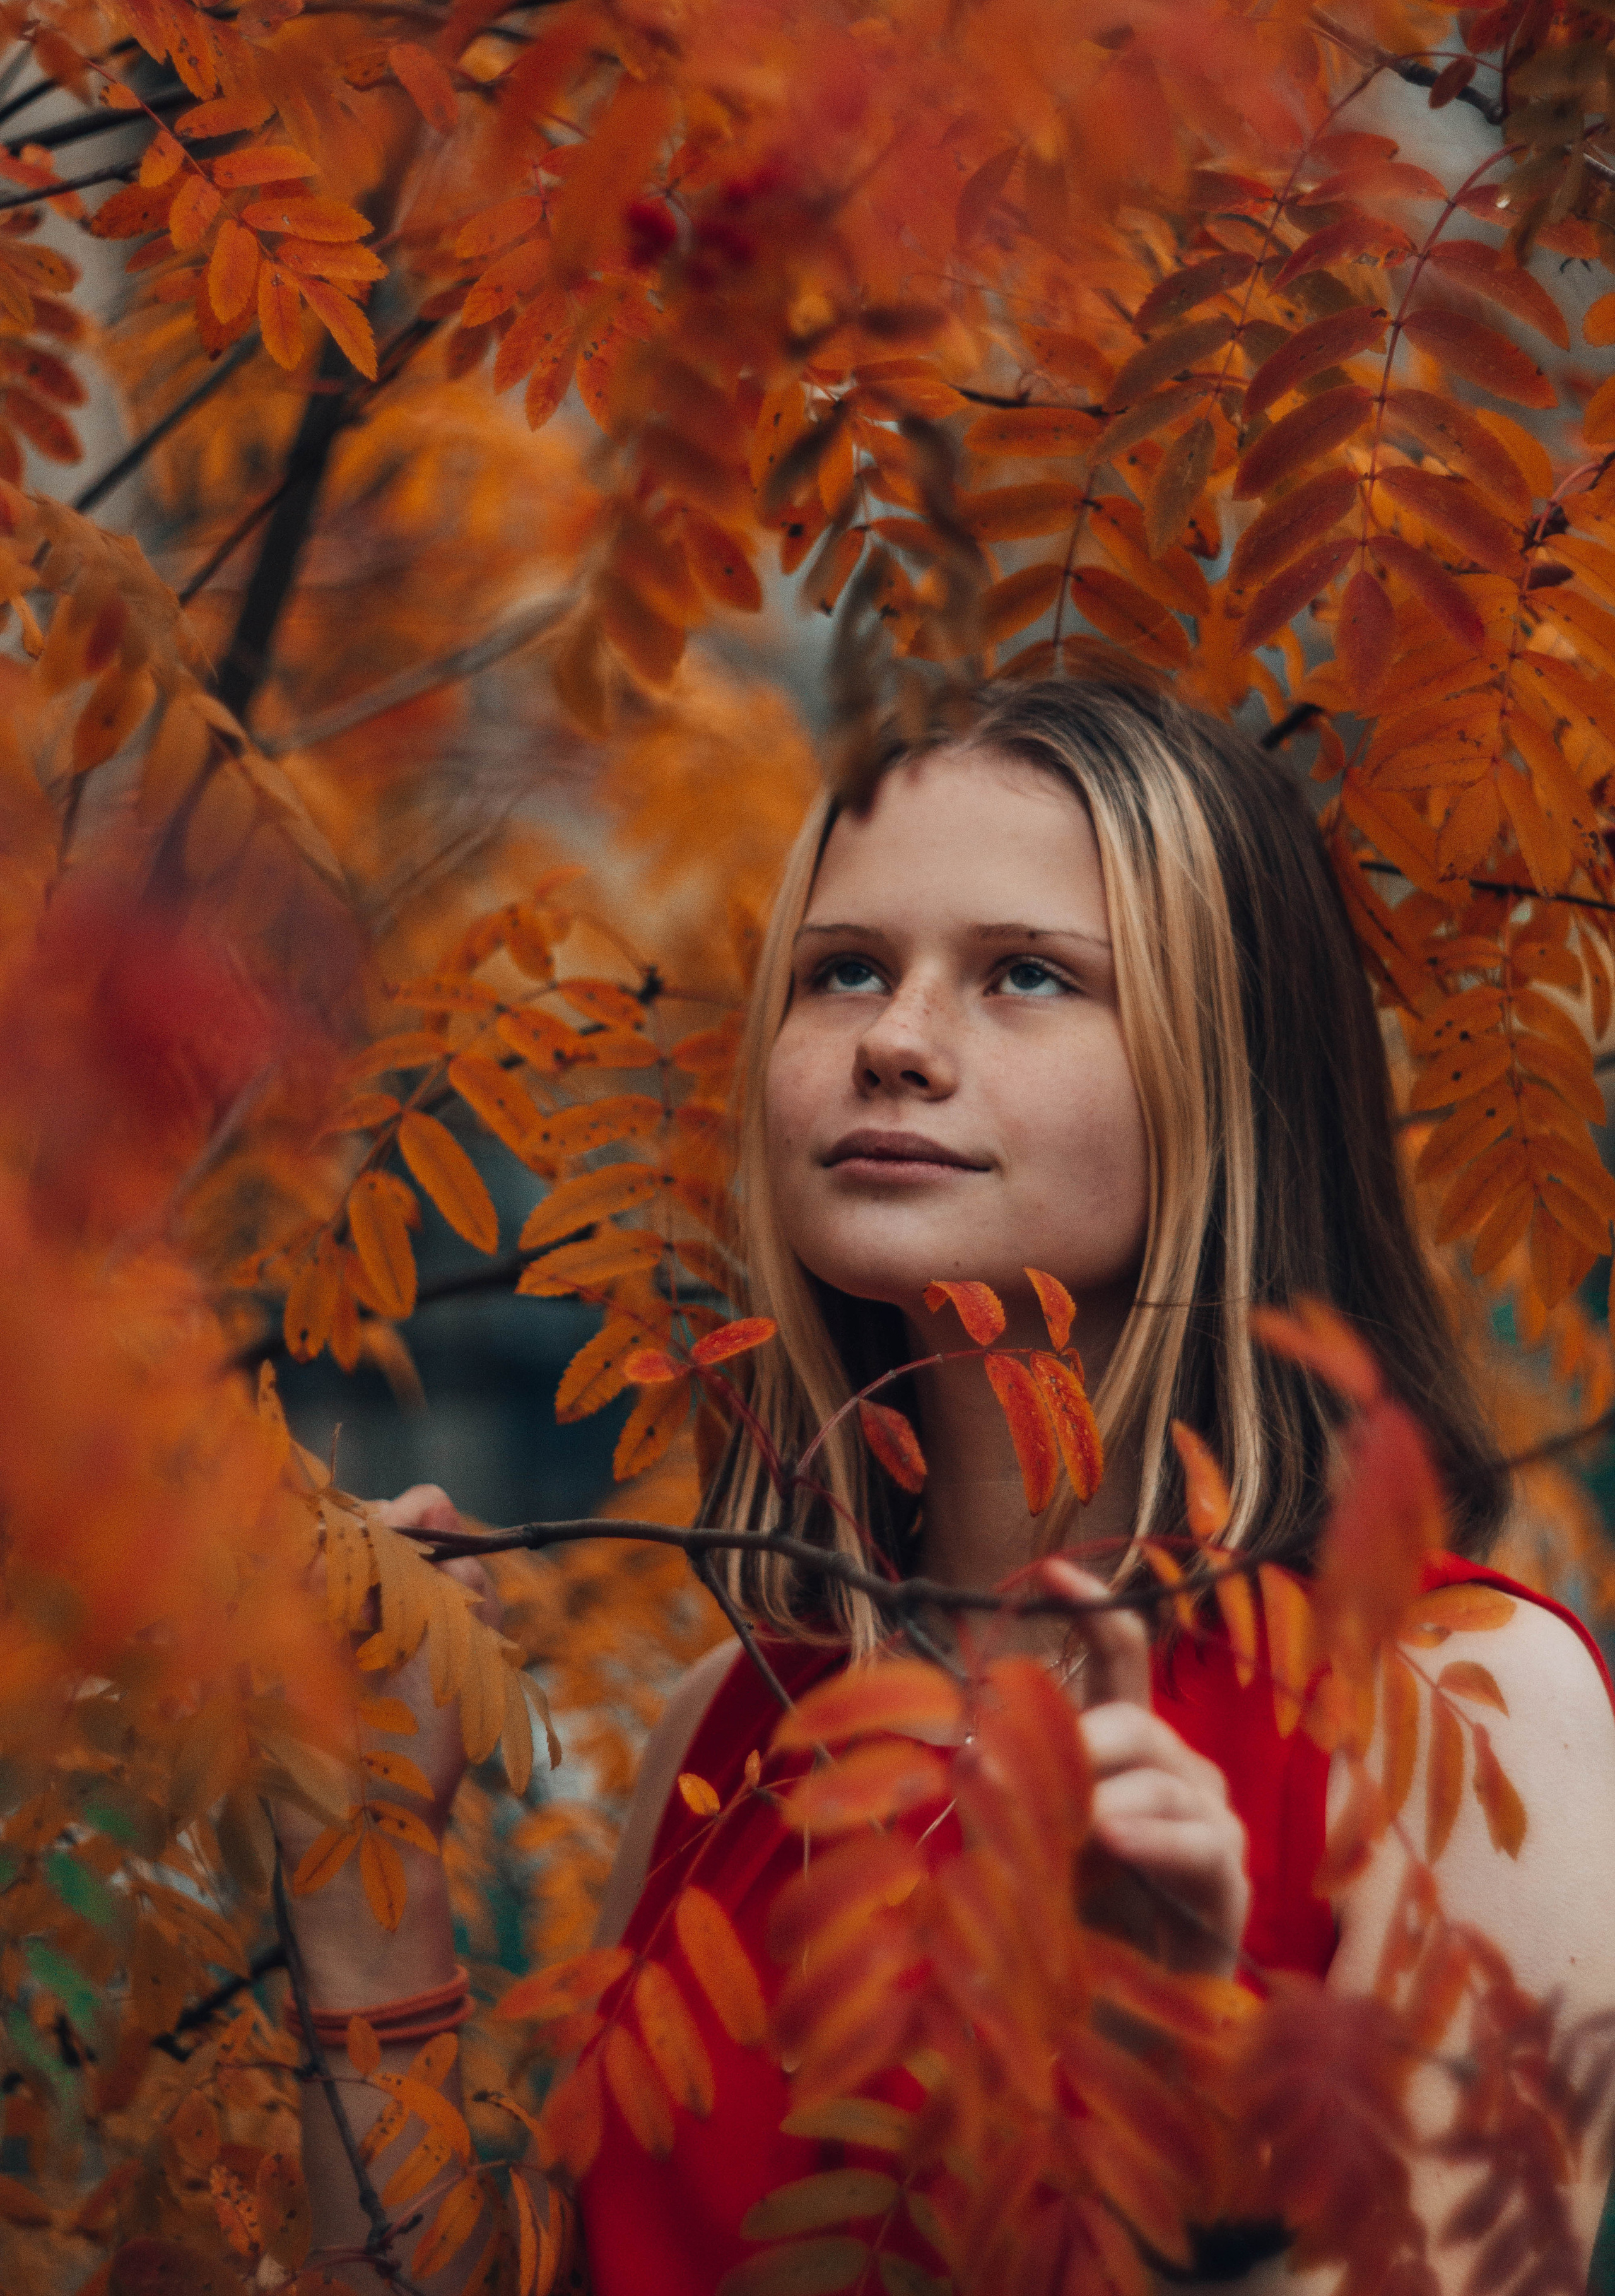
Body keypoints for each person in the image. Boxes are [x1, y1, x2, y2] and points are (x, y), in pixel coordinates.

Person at [286, 675, 1615, 2293]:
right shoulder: (737, 1725)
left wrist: (1166, 2119)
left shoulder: (1467, 1703)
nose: (894, 1041)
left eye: (1026, 974)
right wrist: (364, 1876)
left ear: (1230, 1075)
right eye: (842, 968)